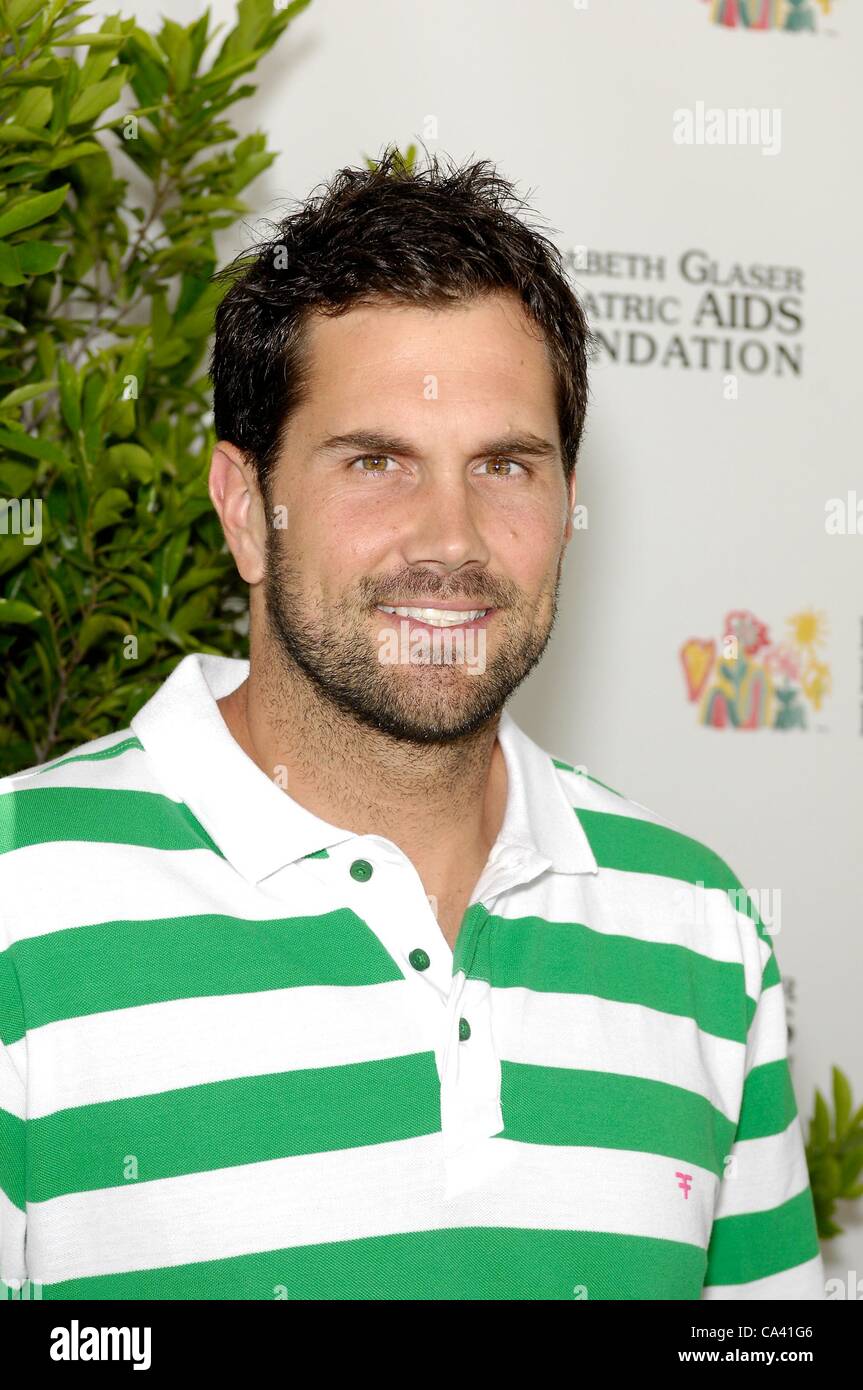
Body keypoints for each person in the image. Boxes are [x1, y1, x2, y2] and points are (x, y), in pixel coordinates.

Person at [0, 147, 823, 1300]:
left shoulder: (700, 930)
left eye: (504, 465)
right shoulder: (20, 899)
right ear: (245, 509)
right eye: (376, 461)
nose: (450, 540)